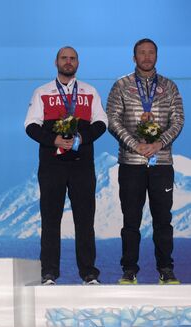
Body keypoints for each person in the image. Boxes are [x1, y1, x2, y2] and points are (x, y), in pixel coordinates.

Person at [25, 46, 107, 285]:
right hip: (52, 165)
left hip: (82, 164)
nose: (68, 62)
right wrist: (54, 140)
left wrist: (82, 138)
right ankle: (48, 272)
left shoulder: (90, 91)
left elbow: (102, 121)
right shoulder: (42, 92)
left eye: (72, 59)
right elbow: (30, 125)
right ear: (56, 62)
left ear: (78, 63)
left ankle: (89, 273)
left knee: (85, 220)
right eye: (64, 58)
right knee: (50, 219)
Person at [107, 38, 184, 285]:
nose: (147, 57)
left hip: (162, 163)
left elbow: (178, 120)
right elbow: (112, 120)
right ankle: (129, 271)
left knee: (163, 219)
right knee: (131, 219)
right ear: (134, 57)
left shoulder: (170, 87)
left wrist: (158, 144)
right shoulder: (121, 85)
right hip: (131, 162)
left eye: (151, 53)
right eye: (142, 53)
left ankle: (166, 269)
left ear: (157, 57)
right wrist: (136, 145)